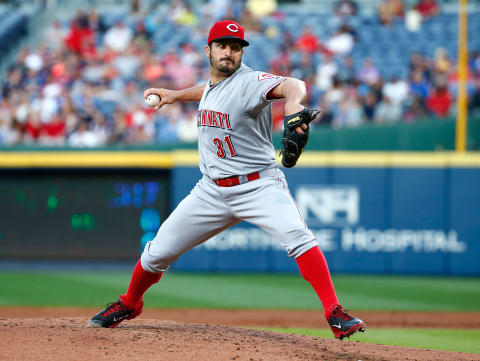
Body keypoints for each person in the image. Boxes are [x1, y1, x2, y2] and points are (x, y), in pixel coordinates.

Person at [88, 20, 366, 340]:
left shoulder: (250, 82)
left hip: (258, 185)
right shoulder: (212, 84)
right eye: (222, 46)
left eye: (235, 47)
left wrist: (293, 106)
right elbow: (208, 90)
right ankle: (129, 303)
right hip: (211, 191)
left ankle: (334, 312)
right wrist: (175, 95)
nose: (229, 53)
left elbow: (293, 84)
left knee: (298, 237)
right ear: (208, 50)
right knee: (155, 253)